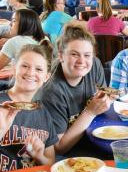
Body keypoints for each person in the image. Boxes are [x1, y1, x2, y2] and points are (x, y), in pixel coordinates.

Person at [0, 43, 57, 172]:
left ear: (46, 77)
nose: (31, 73)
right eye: (25, 66)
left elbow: (51, 162)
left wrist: (39, 157)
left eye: (39, 69)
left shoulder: (44, 113)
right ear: (14, 69)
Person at [37, 24, 113, 157]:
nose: (82, 61)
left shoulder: (94, 64)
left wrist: (106, 101)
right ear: (61, 56)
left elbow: (103, 103)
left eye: (87, 55)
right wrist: (90, 112)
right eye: (74, 54)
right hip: (72, 154)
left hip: (95, 136)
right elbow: (59, 148)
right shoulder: (51, 91)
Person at [0, 9, 47, 75]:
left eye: (14, 21)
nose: (10, 24)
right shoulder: (45, 39)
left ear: (24, 24)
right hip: (40, 82)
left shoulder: (14, 42)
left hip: (20, 83)